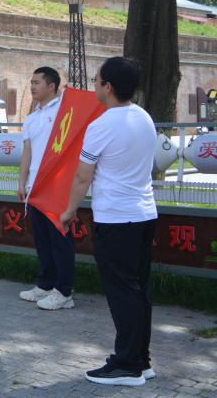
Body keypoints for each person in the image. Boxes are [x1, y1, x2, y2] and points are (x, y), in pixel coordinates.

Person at [60, 57, 158, 387]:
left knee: (123, 292)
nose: (95, 85)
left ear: (109, 87)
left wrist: (69, 211)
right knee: (139, 288)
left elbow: (82, 177)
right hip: (144, 214)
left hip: (116, 218)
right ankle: (141, 360)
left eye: (97, 80)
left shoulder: (101, 126)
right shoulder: (144, 117)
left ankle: (127, 365)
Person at [16, 67, 73, 311]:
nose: (32, 86)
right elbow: (27, 152)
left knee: (59, 239)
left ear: (51, 86)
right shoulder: (31, 117)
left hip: (57, 187)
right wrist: (22, 183)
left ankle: (64, 291)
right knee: (42, 240)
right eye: (31, 82)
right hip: (36, 187)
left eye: (37, 82)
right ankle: (46, 284)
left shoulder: (64, 112)